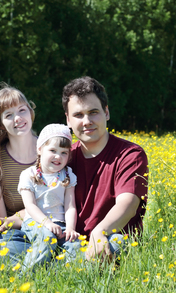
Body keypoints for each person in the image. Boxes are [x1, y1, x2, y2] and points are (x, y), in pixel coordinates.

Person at [62, 76, 149, 261]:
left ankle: (62, 271)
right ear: (68, 120)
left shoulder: (130, 154)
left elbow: (128, 205)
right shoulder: (62, 158)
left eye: (93, 112)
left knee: (115, 243)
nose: (86, 121)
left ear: (106, 113)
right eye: (78, 115)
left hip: (110, 236)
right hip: (70, 240)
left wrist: (99, 232)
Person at [0, 83, 37, 264]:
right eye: (9, 115)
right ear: (1, 125)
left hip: (47, 225)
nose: (18, 118)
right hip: (13, 232)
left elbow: (50, 205)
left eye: (21, 110)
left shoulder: (49, 150)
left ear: (30, 112)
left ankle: (30, 264)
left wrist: (11, 220)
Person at [18, 124, 79, 272]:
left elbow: (70, 206)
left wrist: (70, 228)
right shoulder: (29, 174)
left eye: (64, 153)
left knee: (76, 245)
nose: (58, 156)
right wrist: (47, 223)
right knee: (47, 237)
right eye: (53, 150)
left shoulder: (68, 175)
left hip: (61, 225)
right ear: (39, 149)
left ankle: (54, 274)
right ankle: (25, 275)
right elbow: (30, 206)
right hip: (36, 222)